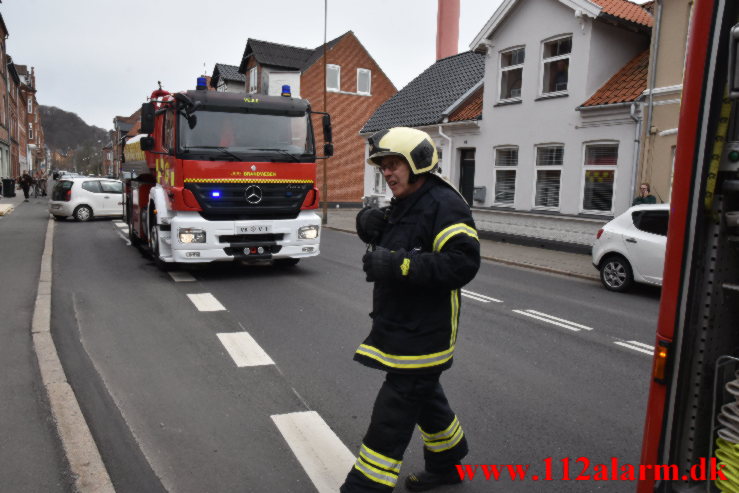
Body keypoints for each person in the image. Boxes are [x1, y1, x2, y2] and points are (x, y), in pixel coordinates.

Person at [341, 127, 481, 492]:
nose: (387, 174)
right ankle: (448, 462)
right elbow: (395, 237)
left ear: (418, 163)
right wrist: (365, 223)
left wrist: (398, 266)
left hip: (426, 333)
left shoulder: (445, 205)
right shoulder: (406, 201)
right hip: (399, 324)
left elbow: (461, 264)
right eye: (383, 167)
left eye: (394, 165)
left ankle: (364, 486)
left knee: (394, 412)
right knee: (425, 396)